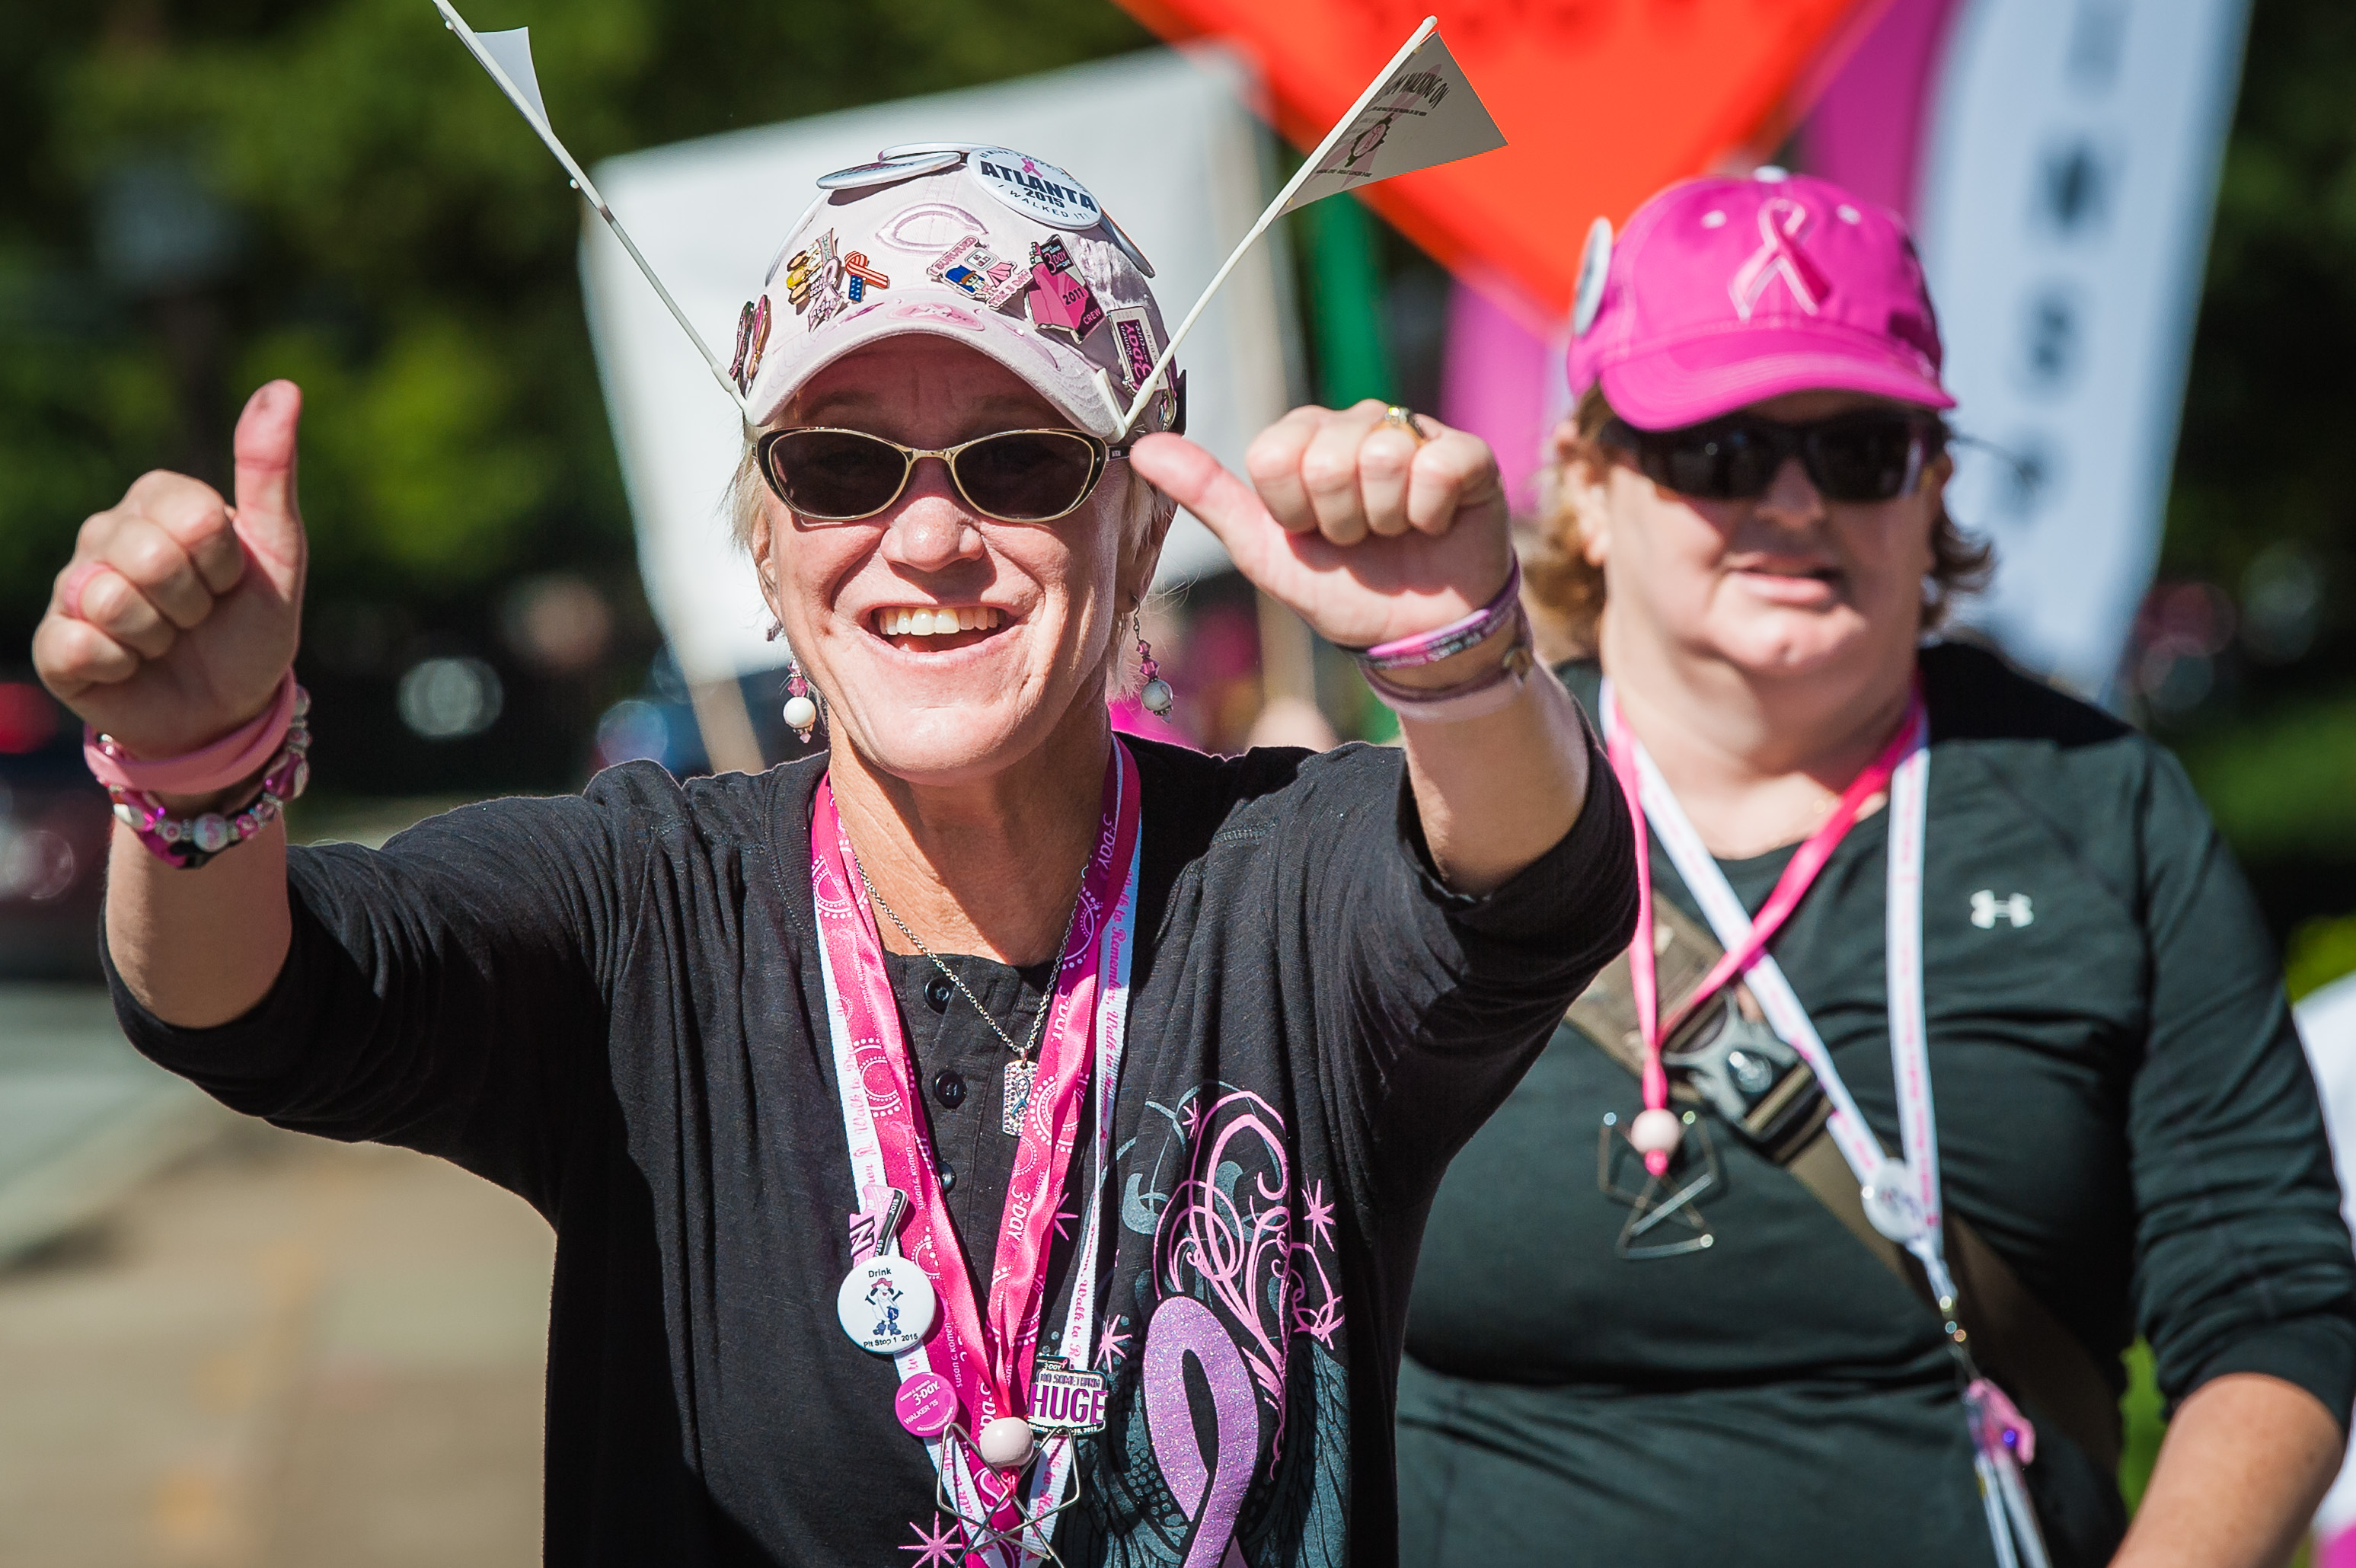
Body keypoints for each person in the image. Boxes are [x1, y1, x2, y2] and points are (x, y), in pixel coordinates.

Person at [34, 145, 1636, 1566]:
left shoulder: (1284, 883)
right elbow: (255, 998)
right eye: (840, 467)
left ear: (1140, 526)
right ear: (766, 540)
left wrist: (1460, 659)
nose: (926, 539)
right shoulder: (649, 912)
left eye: (1019, 460)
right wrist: (198, 769)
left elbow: (1531, 890)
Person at [1395, 169, 2356, 1568]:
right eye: (1718, 449)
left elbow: (2269, 1311)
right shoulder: (1424, 815)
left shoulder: (2097, 812)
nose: (1793, 501)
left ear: (1931, 487)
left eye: (1857, 449)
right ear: (1590, 489)